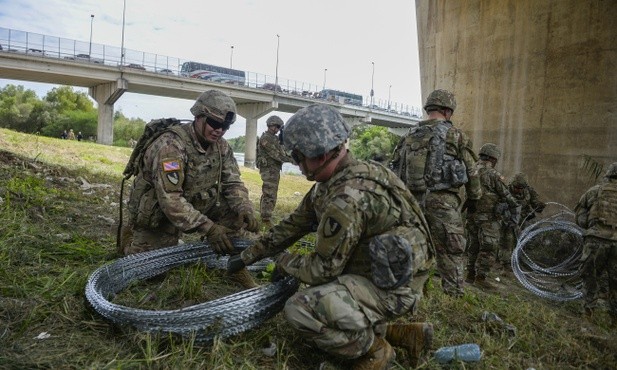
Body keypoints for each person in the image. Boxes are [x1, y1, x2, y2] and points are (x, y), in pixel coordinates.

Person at [228, 104, 435, 369]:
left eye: (300, 155)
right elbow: (293, 225)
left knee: (301, 308)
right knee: (321, 293)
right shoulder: (337, 180)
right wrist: (248, 255)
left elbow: (322, 269)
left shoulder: (348, 197)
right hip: (379, 274)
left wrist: (283, 262)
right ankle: (405, 334)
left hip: (395, 288)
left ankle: (374, 351)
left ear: (322, 152)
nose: (297, 163)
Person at [123, 89, 260, 288]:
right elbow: (170, 199)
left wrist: (244, 208)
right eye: (214, 123)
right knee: (147, 273)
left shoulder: (221, 147)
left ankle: (234, 268)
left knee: (235, 213)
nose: (219, 130)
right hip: (160, 212)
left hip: (196, 202)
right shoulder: (171, 146)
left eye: (225, 126)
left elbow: (233, 182)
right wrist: (210, 228)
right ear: (198, 117)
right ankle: (128, 239)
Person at [390, 89, 482, 297]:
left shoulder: (408, 137)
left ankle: (411, 295)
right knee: (451, 250)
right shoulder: (455, 135)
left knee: (413, 248)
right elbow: (472, 172)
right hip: (443, 201)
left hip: (411, 202)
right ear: (447, 111)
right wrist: (474, 198)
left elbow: (394, 170)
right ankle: (453, 295)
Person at [465, 143, 519, 289]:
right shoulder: (492, 174)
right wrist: (514, 206)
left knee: (473, 245)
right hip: (488, 218)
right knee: (489, 247)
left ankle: (470, 275)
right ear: (493, 158)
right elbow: (506, 195)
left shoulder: (470, 169)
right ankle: (481, 278)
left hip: (471, 215)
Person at [575, 162, 617, 328]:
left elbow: (579, 217)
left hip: (596, 240)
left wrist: (592, 227)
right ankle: (614, 321)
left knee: (591, 278)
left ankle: (588, 314)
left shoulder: (595, 191)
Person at [498, 172, 546, 268]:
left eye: (521, 188)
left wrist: (539, 205)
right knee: (508, 240)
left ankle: (519, 261)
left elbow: (535, 202)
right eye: (516, 188)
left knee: (523, 241)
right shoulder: (505, 191)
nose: (518, 190)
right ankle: (505, 263)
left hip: (523, 220)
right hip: (509, 220)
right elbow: (500, 207)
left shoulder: (528, 191)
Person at [256, 115, 293, 229]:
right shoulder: (266, 138)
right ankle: (266, 218)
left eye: (279, 127)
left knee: (270, 192)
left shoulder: (275, 139)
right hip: (268, 170)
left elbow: (282, 152)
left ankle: (265, 214)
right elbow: (276, 155)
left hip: (274, 169)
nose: (277, 129)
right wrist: (292, 160)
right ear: (270, 125)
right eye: (275, 126)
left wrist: (291, 156)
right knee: (270, 193)